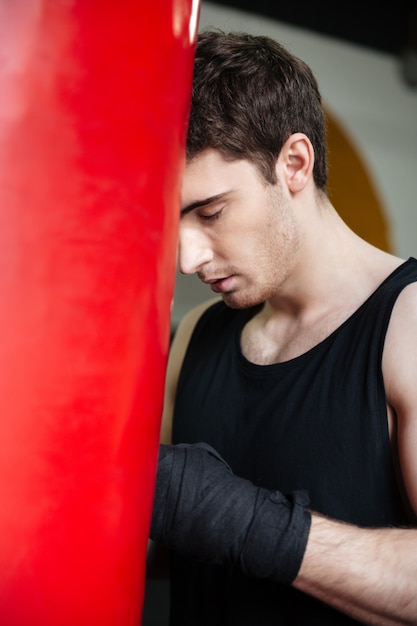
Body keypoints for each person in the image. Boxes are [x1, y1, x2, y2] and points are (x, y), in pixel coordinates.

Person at [148, 29, 417, 625]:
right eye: (174, 221)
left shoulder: (409, 327)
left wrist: (247, 523)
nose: (188, 259)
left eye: (211, 212)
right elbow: (164, 546)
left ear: (294, 163)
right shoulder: (195, 335)